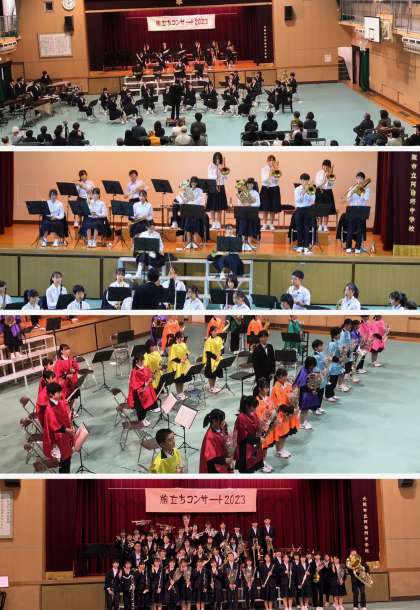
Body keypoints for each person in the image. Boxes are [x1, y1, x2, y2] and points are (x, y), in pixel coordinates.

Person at [42, 382, 74, 473]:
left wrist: (70, 423)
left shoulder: (58, 402)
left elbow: (64, 416)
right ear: (51, 395)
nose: (61, 394)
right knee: (65, 460)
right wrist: (68, 430)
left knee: (67, 459)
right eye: (59, 392)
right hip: (59, 437)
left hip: (65, 434)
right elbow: (54, 426)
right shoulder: (49, 409)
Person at [233, 395, 264, 473]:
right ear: (247, 406)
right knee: (246, 471)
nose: (255, 409)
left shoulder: (253, 413)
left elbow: (258, 426)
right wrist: (258, 439)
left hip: (253, 446)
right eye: (254, 407)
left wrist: (263, 428)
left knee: (252, 469)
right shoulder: (241, 418)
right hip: (244, 450)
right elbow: (244, 438)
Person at [127, 352, 157, 424]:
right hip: (138, 393)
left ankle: (144, 419)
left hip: (145, 391)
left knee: (145, 407)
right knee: (140, 408)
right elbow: (135, 384)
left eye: (143, 360)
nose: (143, 362)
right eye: (141, 360)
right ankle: (141, 421)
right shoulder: (134, 371)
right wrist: (147, 381)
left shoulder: (145, 368)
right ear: (136, 361)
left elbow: (149, 375)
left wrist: (152, 377)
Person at [199, 409, 232, 473]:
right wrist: (225, 460)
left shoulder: (222, 427)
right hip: (215, 467)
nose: (224, 422)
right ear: (214, 421)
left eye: (223, 419)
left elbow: (226, 437)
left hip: (224, 459)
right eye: (222, 420)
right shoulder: (209, 437)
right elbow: (211, 459)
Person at [294, 356, 322, 430]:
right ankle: (301, 423)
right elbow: (303, 385)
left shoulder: (306, 370)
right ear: (310, 365)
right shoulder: (304, 372)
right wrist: (311, 390)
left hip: (307, 393)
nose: (313, 367)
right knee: (304, 409)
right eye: (313, 366)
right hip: (304, 395)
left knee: (306, 409)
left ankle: (303, 420)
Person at [345, 172, 370, 253]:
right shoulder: (352, 187)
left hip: (361, 210)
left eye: (360, 178)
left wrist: (360, 190)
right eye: (357, 178)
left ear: (363, 179)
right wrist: (352, 193)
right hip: (352, 209)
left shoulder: (367, 189)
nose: (359, 180)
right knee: (350, 230)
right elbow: (348, 199)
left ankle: (358, 248)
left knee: (360, 230)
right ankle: (348, 247)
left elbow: (365, 199)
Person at [236, 177, 260, 251]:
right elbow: (239, 203)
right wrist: (243, 204)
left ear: (253, 185)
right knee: (243, 227)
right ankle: (243, 243)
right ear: (246, 185)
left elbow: (258, 203)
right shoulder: (243, 192)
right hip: (243, 213)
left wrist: (250, 204)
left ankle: (249, 243)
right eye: (248, 184)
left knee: (251, 228)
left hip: (252, 213)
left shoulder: (255, 193)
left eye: (251, 184)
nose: (250, 185)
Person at [294, 173, 315, 254]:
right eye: (303, 180)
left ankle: (306, 246)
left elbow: (312, 201)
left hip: (307, 210)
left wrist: (308, 193)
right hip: (299, 210)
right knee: (299, 228)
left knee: (306, 228)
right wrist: (303, 193)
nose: (305, 182)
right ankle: (299, 246)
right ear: (301, 181)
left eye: (306, 180)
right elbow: (298, 200)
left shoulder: (311, 189)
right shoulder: (297, 189)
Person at [207, 152, 229, 230]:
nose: (217, 160)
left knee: (219, 206)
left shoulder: (223, 166)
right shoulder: (210, 166)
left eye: (219, 158)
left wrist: (222, 170)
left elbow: (226, 178)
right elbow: (210, 177)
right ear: (214, 159)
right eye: (216, 158)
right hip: (213, 186)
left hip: (221, 186)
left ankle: (218, 223)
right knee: (212, 206)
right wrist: (218, 174)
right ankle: (213, 222)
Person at [260, 155, 281, 231]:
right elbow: (264, 180)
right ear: (267, 161)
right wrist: (270, 172)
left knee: (273, 207)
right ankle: (264, 224)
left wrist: (276, 169)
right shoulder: (263, 169)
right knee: (265, 207)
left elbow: (276, 179)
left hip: (274, 188)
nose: (271, 162)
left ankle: (271, 224)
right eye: (270, 160)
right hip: (266, 188)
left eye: (273, 160)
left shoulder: (276, 169)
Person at [315, 159, 336, 233]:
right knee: (320, 209)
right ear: (322, 166)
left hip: (328, 192)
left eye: (327, 166)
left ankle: (325, 226)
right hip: (320, 191)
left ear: (329, 167)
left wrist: (329, 177)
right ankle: (320, 225)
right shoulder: (319, 173)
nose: (326, 168)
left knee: (326, 210)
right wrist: (324, 178)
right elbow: (317, 184)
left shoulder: (331, 174)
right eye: (324, 166)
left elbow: (331, 185)